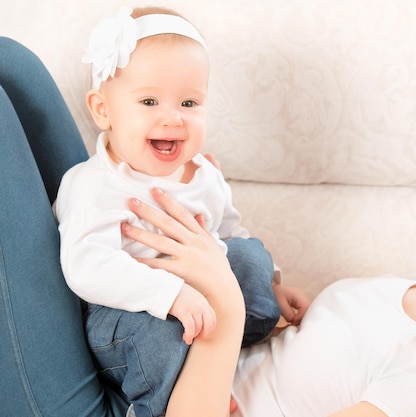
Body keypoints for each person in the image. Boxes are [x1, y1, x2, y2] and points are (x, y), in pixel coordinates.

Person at [3, 35, 416, 417]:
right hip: (143, 325)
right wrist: (270, 288)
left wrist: (219, 297)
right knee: (14, 68)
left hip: (131, 404)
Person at [54, 7, 308, 417]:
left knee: (250, 258)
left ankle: (218, 356)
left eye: (189, 102)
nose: (172, 117)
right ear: (103, 110)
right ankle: (157, 403)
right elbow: (85, 266)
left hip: (201, 293)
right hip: (125, 312)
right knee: (157, 337)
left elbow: (230, 230)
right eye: (149, 101)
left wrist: (273, 283)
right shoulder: (94, 186)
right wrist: (168, 294)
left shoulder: (205, 175)